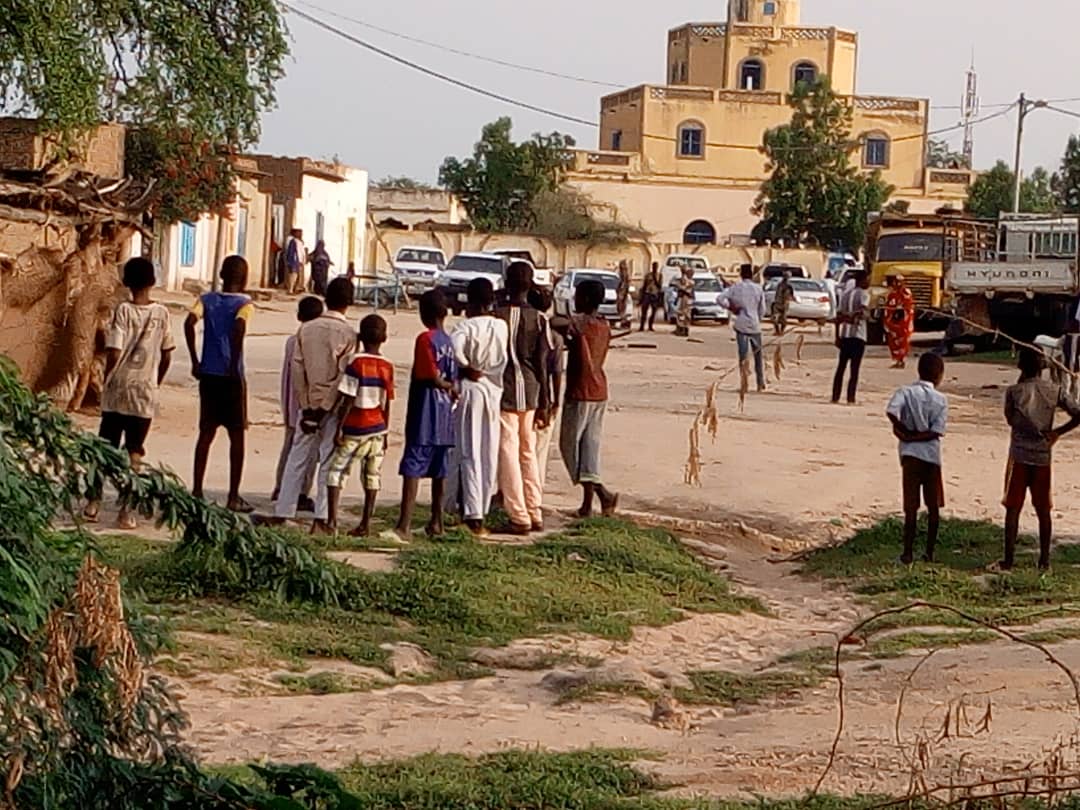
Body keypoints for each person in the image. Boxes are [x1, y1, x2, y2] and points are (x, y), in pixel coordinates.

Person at [85, 257, 175, 529]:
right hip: (144, 392)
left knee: (105, 448)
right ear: (153, 282)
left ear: (126, 283)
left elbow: (114, 350)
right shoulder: (162, 313)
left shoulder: (123, 310)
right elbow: (167, 353)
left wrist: (107, 377)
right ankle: (126, 510)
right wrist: (155, 380)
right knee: (135, 452)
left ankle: (94, 502)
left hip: (118, 389)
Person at [272, 277, 358, 529]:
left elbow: (297, 369)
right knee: (328, 459)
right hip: (331, 407)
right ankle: (322, 516)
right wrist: (324, 408)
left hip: (307, 404)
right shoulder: (349, 335)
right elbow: (343, 375)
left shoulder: (306, 329)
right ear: (349, 303)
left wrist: (307, 403)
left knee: (297, 456)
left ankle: (284, 509)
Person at [184, 255, 253, 512]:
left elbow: (189, 323)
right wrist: (234, 364)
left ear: (222, 275)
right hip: (231, 377)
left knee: (206, 434)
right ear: (244, 279)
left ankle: (197, 490)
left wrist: (195, 359)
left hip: (209, 374)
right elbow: (239, 329)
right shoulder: (245, 304)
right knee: (237, 437)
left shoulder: (206, 300)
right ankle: (233, 495)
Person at [1001, 348, 1080, 571]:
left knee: (1013, 508)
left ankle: (1009, 559)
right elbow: (1078, 412)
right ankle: (1044, 559)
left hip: (1019, 454)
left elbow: (1010, 419)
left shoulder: (1015, 392)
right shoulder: (1054, 390)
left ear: (1020, 367)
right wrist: (1058, 432)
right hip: (1043, 455)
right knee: (1043, 509)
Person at [444, 278, 509, 536]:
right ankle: (479, 505)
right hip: (493, 389)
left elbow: (454, 351)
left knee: (469, 450)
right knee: (488, 449)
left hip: (471, 389)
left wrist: (466, 367)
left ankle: (472, 514)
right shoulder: (500, 326)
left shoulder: (465, 327)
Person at [322, 314, 394, 536]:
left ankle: (332, 521)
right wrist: (386, 432)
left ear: (360, 336)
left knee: (336, 472)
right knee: (372, 476)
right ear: (385, 338)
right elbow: (386, 402)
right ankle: (365, 523)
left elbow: (349, 397)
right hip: (378, 428)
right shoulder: (387, 366)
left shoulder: (356, 362)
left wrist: (340, 427)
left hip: (355, 427)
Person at [493, 262, 551, 534]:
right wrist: (547, 400)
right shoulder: (540, 319)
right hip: (531, 388)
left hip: (505, 388)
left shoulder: (497, 315)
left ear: (506, 282)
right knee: (527, 450)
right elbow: (543, 362)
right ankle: (534, 509)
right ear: (530, 285)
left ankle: (518, 515)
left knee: (508, 449)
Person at [396, 291, 458, 540]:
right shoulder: (449, 342)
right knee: (439, 468)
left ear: (425, 314)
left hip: (425, 410)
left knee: (413, 465)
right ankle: (436, 521)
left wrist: (444, 385)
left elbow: (431, 376)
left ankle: (404, 525)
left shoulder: (426, 339)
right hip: (445, 414)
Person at [556, 279, 618, 518]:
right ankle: (589, 503)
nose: (574, 300)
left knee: (570, 446)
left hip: (580, 392)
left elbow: (556, 322)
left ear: (587, 300)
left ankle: (600, 493)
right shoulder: (603, 325)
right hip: (599, 390)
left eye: (578, 296)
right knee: (590, 447)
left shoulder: (582, 324)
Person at [886, 353, 948, 565]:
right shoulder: (940, 400)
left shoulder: (905, 392)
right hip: (931, 456)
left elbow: (891, 411)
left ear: (918, 370)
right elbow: (936, 431)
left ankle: (907, 552)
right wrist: (919, 436)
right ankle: (930, 552)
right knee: (933, 506)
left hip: (910, 455)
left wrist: (903, 431)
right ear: (939, 376)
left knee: (911, 506)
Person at [271, 295, 324, 511]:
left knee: (289, 447)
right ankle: (300, 492)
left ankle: (280, 487)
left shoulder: (291, 340)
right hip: (305, 405)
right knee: (308, 452)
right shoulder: (309, 342)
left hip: (291, 404)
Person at [529, 286, 564, 490]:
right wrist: (554, 401)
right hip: (542, 397)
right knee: (538, 451)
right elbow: (556, 372)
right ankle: (534, 493)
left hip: (524, 395)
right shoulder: (553, 335)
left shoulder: (523, 327)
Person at [720, 264, 767, 393]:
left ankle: (744, 383)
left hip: (741, 324)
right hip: (755, 325)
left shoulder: (736, 288)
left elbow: (720, 299)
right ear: (752, 275)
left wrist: (731, 308)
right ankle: (760, 383)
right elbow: (763, 309)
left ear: (741, 274)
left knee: (743, 357)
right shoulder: (758, 289)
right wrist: (758, 318)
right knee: (758, 356)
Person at [832, 271, 871, 405]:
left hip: (845, 336)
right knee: (854, 370)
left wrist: (837, 336)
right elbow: (863, 312)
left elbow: (838, 317)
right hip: (858, 336)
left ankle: (835, 396)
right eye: (867, 279)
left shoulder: (845, 295)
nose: (869, 282)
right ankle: (850, 398)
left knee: (840, 368)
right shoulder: (864, 294)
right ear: (861, 281)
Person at [884, 275, 915, 369]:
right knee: (893, 341)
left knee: (902, 341)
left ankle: (901, 360)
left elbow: (908, 306)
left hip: (902, 322)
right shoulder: (891, 294)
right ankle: (898, 360)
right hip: (893, 322)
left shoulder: (905, 292)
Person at [639, 262, 663, 332]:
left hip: (655, 294)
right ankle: (642, 326)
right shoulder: (648, 275)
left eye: (656, 266)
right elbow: (644, 285)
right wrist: (641, 297)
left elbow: (660, 286)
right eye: (654, 266)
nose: (655, 268)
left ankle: (650, 325)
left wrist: (655, 279)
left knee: (654, 311)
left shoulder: (660, 275)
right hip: (647, 294)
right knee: (644, 311)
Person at [673, 265, 695, 338]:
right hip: (687, 299)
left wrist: (680, 288)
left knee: (682, 314)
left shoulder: (689, 281)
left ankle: (682, 329)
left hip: (685, 298)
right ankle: (683, 329)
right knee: (685, 315)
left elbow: (683, 289)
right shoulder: (690, 281)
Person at [772, 270, 795, 336]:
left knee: (783, 319)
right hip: (779, 303)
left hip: (784, 304)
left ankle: (781, 331)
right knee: (776, 319)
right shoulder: (780, 284)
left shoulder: (788, 286)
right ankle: (778, 331)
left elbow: (790, 295)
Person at [285, 228, 307, 294]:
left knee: (297, 276)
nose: (300, 234)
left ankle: (295, 289)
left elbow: (302, 252)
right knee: (293, 275)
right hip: (294, 261)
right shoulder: (293, 241)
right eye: (299, 233)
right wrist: (291, 260)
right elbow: (291, 252)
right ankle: (290, 289)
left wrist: (303, 260)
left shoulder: (300, 242)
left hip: (299, 261)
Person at [615, 259, 632, 324]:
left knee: (624, 307)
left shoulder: (626, 275)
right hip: (619, 292)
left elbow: (627, 283)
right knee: (619, 306)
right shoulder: (618, 273)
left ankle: (622, 320)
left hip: (624, 292)